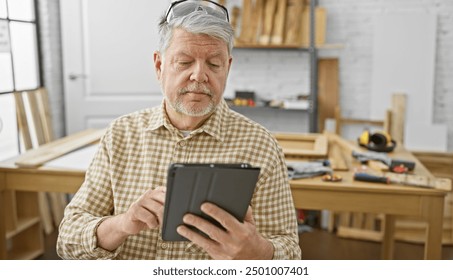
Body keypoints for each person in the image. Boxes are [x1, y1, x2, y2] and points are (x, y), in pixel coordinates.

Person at [57, 0, 301, 260]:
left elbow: (290, 253)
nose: (199, 75)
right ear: (159, 66)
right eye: (184, 62)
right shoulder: (121, 134)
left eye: (214, 64)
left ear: (227, 68)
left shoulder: (260, 145)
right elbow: (67, 241)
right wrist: (121, 224)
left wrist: (258, 253)